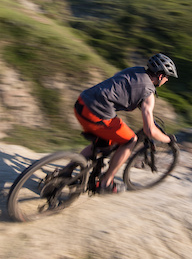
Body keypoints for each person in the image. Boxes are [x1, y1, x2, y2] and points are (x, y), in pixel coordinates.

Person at [73, 53, 177, 194]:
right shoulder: (148, 94)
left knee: (102, 143)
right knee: (130, 140)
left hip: (81, 103)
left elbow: (120, 86)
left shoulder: (134, 70)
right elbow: (150, 131)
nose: (167, 80)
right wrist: (168, 139)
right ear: (160, 76)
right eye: (167, 77)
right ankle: (105, 183)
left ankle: (66, 171)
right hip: (96, 115)